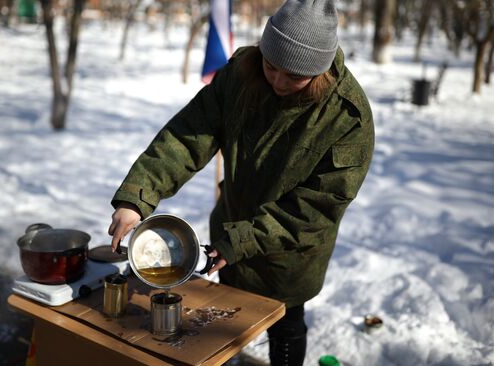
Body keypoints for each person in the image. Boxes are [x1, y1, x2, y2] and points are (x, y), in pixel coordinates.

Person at [108, 0, 374, 364]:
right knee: (226, 321)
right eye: (271, 66)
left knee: (286, 324)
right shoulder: (241, 73)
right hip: (230, 230)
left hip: (289, 256)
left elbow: (313, 210)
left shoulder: (347, 118)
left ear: (321, 72)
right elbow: (188, 137)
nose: (278, 82)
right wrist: (136, 197)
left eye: (294, 76)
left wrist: (241, 241)